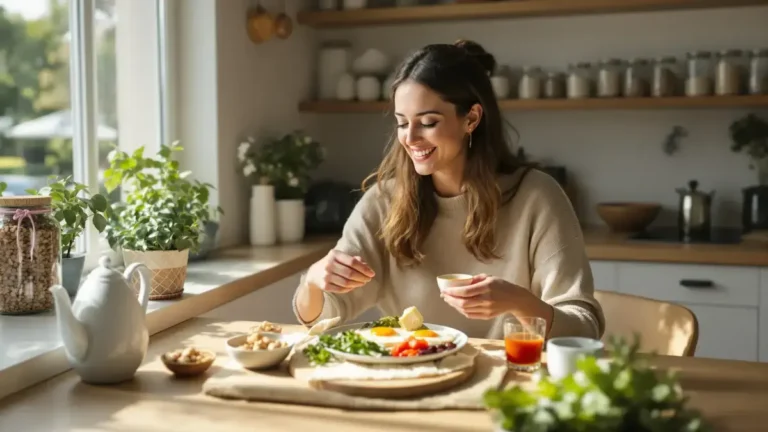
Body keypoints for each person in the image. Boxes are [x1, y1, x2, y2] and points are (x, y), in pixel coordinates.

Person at [292, 40, 605, 340]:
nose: (411, 138)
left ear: (471, 118)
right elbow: (322, 317)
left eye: (428, 122)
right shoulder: (383, 201)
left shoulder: (537, 196)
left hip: (509, 382)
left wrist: (519, 302)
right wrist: (314, 282)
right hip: (411, 378)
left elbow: (584, 328)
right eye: (402, 123)